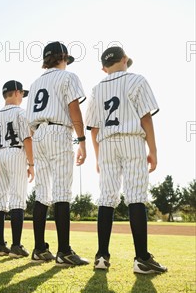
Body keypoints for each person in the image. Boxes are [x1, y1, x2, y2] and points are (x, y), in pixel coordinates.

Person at [85, 46, 167, 274]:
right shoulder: (137, 80)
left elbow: (93, 128)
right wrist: (153, 150)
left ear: (103, 68)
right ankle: (141, 258)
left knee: (106, 198)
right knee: (136, 197)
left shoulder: (96, 89)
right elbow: (146, 118)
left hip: (107, 143)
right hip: (132, 140)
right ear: (125, 59)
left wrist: (98, 156)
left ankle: (101, 256)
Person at [26, 41, 89, 265]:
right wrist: (82, 139)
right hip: (58, 130)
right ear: (62, 58)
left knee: (42, 191)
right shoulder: (67, 76)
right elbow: (74, 108)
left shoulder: (34, 84)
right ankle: (64, 251)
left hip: (38, 133)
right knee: (62, 190)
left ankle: (39, 248)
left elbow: (29, 120)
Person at [0, 80, 34, 258]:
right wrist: (31, 164)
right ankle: (16, 246)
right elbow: (27, 139)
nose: (23, 97)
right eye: (22, 93)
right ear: (16, 92)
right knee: (17, 199)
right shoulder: (21, 113)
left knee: (0, 201)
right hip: (15, 152)